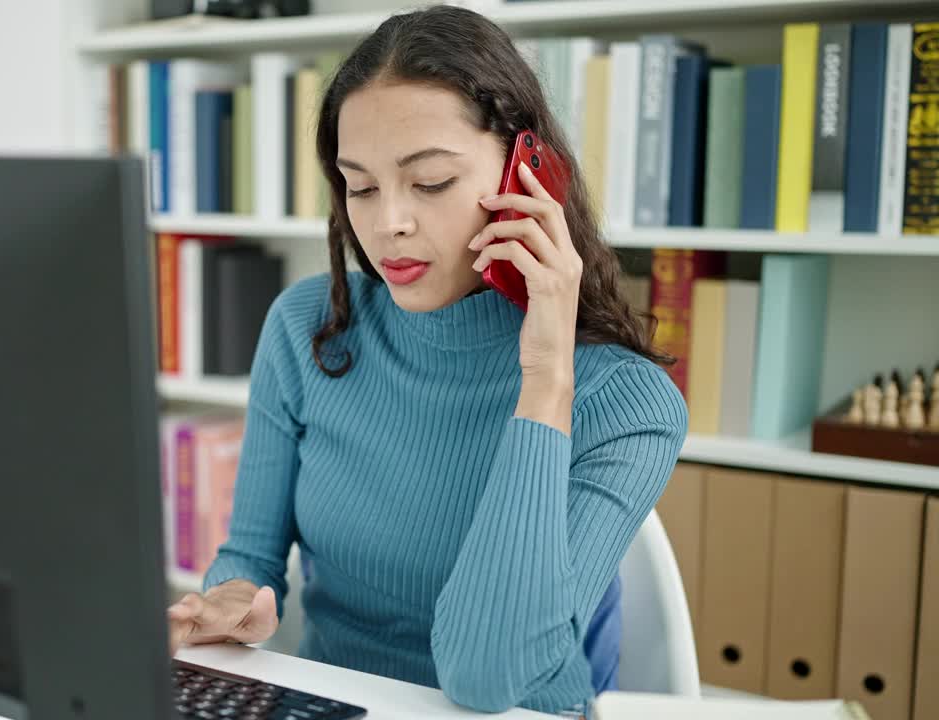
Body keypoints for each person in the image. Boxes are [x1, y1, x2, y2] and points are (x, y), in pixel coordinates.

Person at [166, 5, 688, 715]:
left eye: (431, 182)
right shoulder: (306, 328)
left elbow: (484, 676)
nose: (389, 224)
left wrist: (545, 383)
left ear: (529, 178)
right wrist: (233, 599)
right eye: (362, 185)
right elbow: (251, 555)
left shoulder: (629, 404)